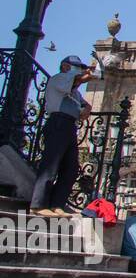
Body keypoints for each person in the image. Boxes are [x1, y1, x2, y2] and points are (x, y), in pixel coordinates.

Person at [27, 54, 96, 218]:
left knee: (71, 168)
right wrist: (87, 74)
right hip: (57, 122)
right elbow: (78, 80)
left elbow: (84, 105)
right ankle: (38, 205)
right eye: (76, 67)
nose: (78, 70)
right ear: (65, 67)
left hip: (70, 125)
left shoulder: (76, 93)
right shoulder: (58, 79)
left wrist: (87, 108)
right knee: (50, 165)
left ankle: (57, 204)